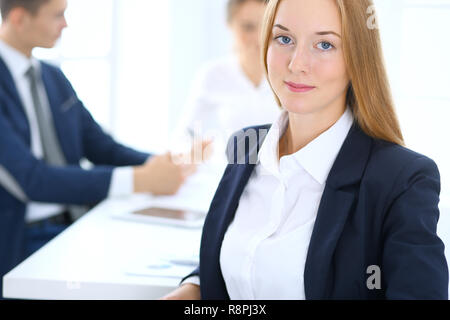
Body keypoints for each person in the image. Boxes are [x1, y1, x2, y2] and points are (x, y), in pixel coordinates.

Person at [162, 0, 448, 300]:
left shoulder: (402, 178)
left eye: (324, 45)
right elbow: (240, 259)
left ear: (358, 59)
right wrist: (191, 290)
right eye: (283, 39)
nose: (296, 63)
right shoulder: (245, 145)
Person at [0, 0, 205, 297]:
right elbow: (32, 180)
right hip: (20, 241)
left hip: (75, 227)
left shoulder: (51, 76)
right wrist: (140, 179)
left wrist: (162, 164)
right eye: (58, 15)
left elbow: (100, 146)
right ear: (19, 18)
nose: (66, 24)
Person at [173, 0, 280, 162]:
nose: (259, 37)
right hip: (232, 175)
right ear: (229, 26)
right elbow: (183, 137)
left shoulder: (290, 72)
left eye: (266, 26)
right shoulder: (213, 75)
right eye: (248, 27)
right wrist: (196, 150)